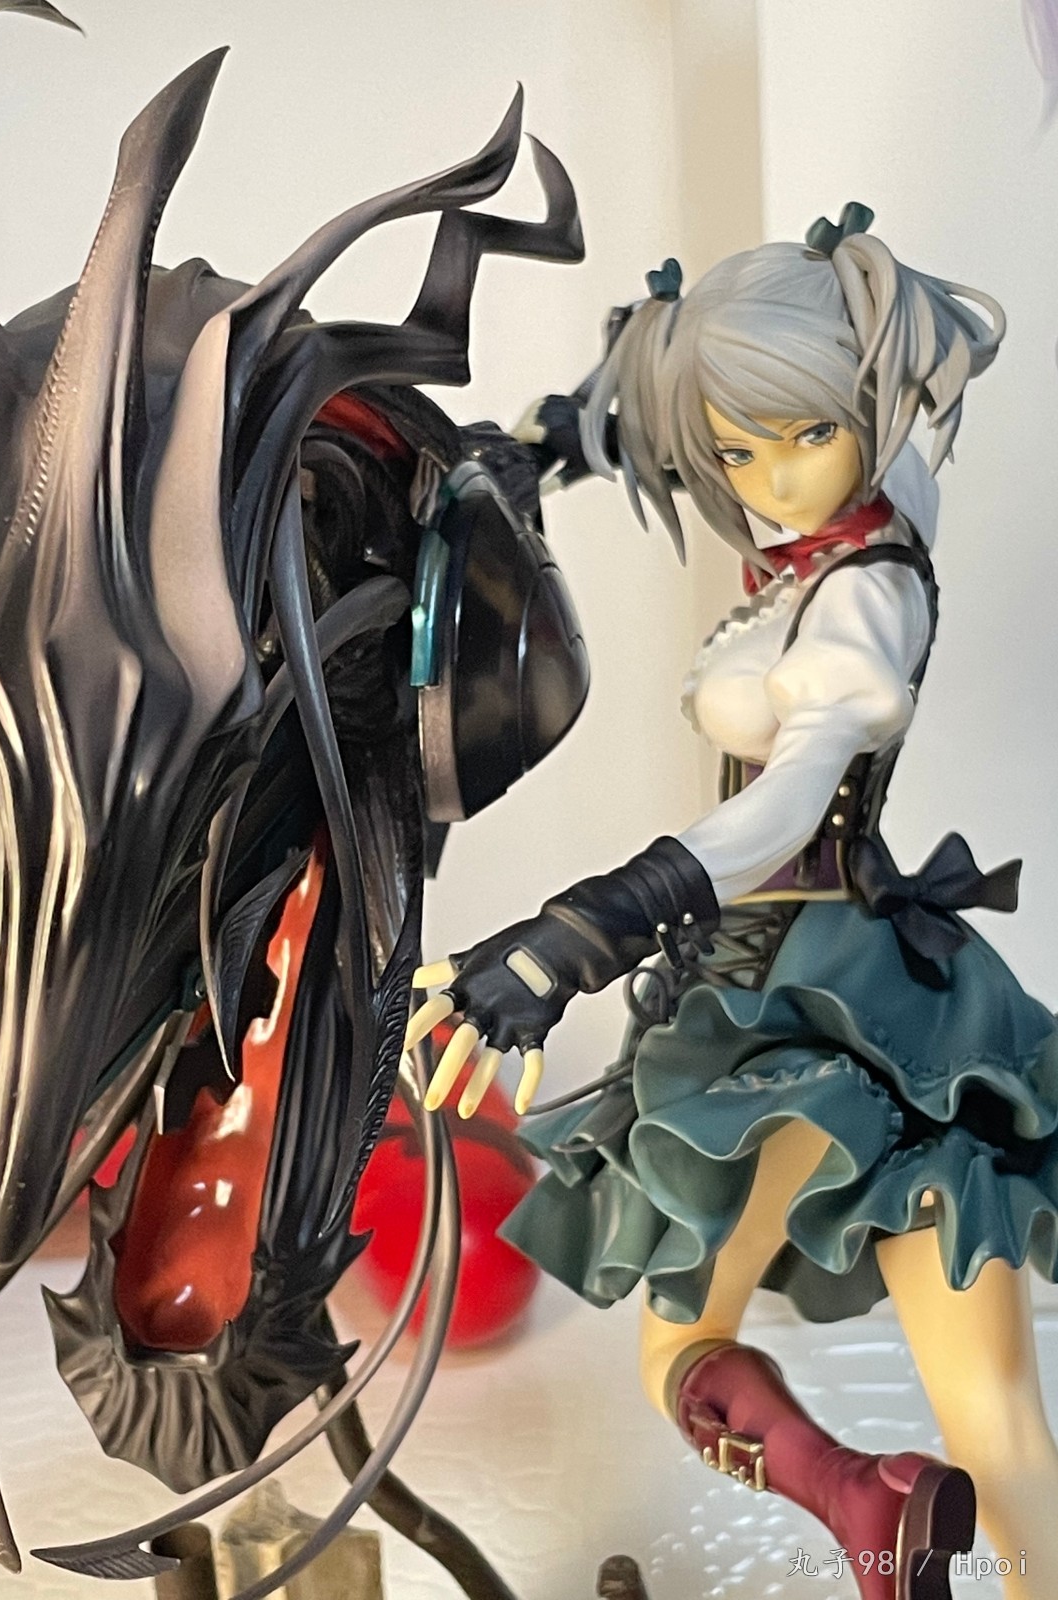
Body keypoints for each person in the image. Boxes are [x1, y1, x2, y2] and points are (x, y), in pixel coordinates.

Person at [407, 206, 1058, 1600]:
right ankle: (868, 1504)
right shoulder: (869, 511)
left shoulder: (862, 603)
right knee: (800, 1380)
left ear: (865, 407)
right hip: (838, 993)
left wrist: (584, 931)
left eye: (806, 436)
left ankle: (872, 1504)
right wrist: (551, 444)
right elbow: (652, 407)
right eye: (737, 451)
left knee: (787, 1370)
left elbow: (783, 804)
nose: (771, 481)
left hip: (800, 995)